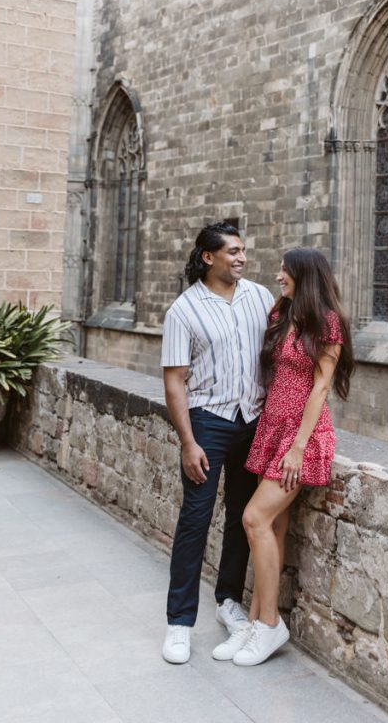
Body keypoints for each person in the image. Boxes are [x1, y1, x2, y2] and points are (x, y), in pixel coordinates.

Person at [211, 247, 354, 666]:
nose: (278, 276)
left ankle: (270, 624)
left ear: (305, 276)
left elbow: (321, 388)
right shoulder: (281, 314)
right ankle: (257, 620)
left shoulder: (327, 322)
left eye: (285, 271)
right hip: (270, 429)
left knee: (253, 518)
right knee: (271, 528)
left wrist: (297, 447)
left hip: (301, 436)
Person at [160, 221, 274, 665]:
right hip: (208, 422)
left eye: (243, 250)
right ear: (209, 257)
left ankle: (228, 601)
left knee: (242, 518)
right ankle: (179, 622)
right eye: (232, 251)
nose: (241, 258)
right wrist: (188, 441)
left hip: (253, 421)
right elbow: (174, 383)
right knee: (195, 518)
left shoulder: (260, 297)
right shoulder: (184, 311)